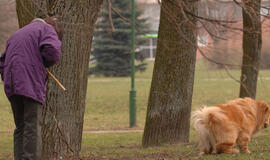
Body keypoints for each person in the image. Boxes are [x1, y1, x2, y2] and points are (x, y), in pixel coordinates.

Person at [0, 16, 63, 160]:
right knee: (32, 126)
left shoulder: (17, 34)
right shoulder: (47, 29)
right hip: (29, 82)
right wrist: (43, 64)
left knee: (20, 126)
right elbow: (52, 52)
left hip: (12, 84)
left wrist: (10, 77)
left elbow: (2, 62)